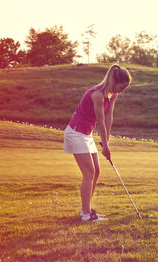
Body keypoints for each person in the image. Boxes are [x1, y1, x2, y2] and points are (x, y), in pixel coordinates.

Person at [63, 64, 132, 222]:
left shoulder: (112, 95)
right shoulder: (97, 95)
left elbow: (108, 118)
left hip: (86, 134)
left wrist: (106, 142)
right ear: (114, 81)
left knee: (97, 172)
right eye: (122, 86)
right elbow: (100, 121)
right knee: (89, 174)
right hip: (75, 133)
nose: (123, 90)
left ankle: (85, 210)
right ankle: (86, 215)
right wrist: (105, 146)